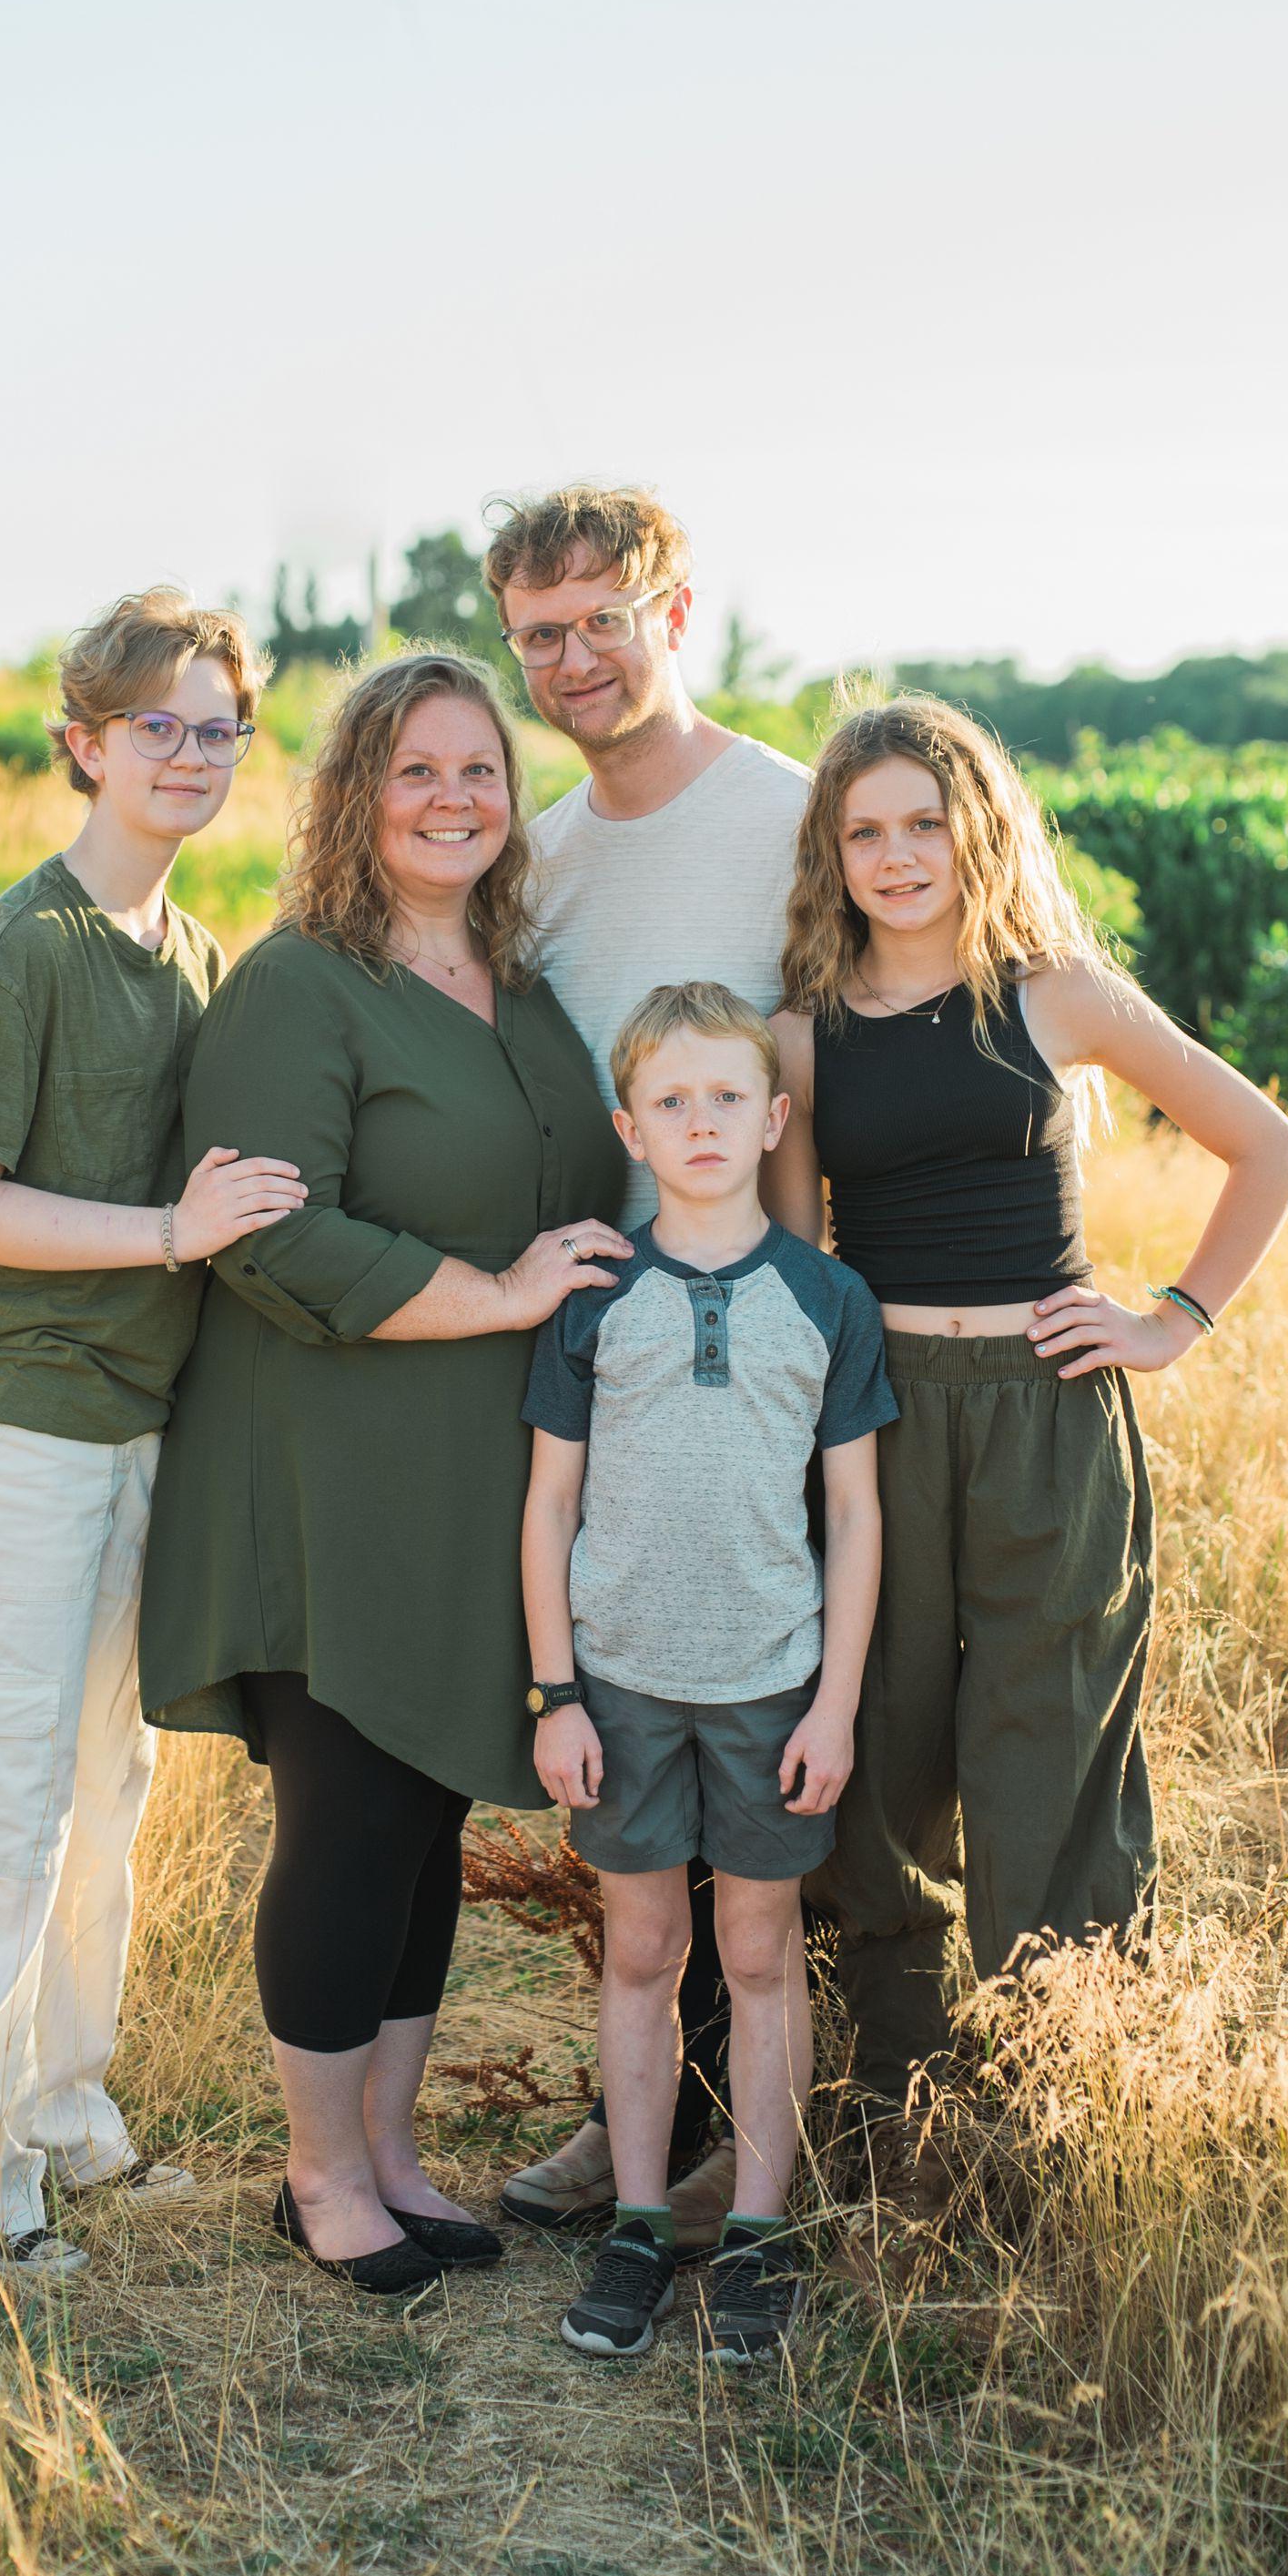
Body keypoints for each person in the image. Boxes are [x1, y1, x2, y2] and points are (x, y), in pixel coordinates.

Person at [137, 649, 629, 2297]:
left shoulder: (528, 988)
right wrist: (497, 1295)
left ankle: (399, 2152)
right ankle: (321, 2171)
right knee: (348, 1821)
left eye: (480, 770)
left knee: (425, 1823)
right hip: (323, 1468)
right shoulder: (301, 985)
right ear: (357, 793)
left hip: (476, 1484)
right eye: (416, 770)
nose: (453, 798)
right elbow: (271, 1227)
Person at [765, 691, 1288, 2113]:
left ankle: (1055, 2104)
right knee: (877, 1748)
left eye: (924, 823)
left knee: (1047, 1743)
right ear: (831, 850)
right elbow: (787, 1265)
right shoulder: (803, 1035)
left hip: (1051, 1407)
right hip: (881, 1416)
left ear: (979, 827)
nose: (896, 856)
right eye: (864, 829)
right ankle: (892, 2101)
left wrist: (1170, 1319)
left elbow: (1268, 1146)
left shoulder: (1053, 991)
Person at [0, 588, 308, 2277]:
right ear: (86, 741)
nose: (190, 757)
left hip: (138, 1429)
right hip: (11, 1429)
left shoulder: (192, 958)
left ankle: (57, 2113)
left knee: (101, 1790)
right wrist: (167, 1239)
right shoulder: (25, 948)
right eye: (158, 728)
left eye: (219, 729)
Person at [484, 482, 810, 2249]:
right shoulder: (533, 857)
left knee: (771, 1742)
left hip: (780, 1357)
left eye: (604, 617)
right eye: (540, 633)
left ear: (675, 613)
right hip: (602, 1364)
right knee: (637, 1747)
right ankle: (650, 2125)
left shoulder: (792, 813)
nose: (573, 657)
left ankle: (774, 2144)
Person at [522, 983, 887, 2363]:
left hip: (771, 1689)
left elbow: (852, 1517)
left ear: (774, 1115)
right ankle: (631, 2224)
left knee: (757, 1950)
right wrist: (557, 1692)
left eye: (728, 1096)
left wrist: (836, 1702)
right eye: (670, 1101)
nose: (701, 1121)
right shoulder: (597, 1290)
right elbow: (547, 1506)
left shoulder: (825, 1296)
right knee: (641, 1947)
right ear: (632, 1125)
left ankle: (754, 2230)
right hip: (619, 1686)